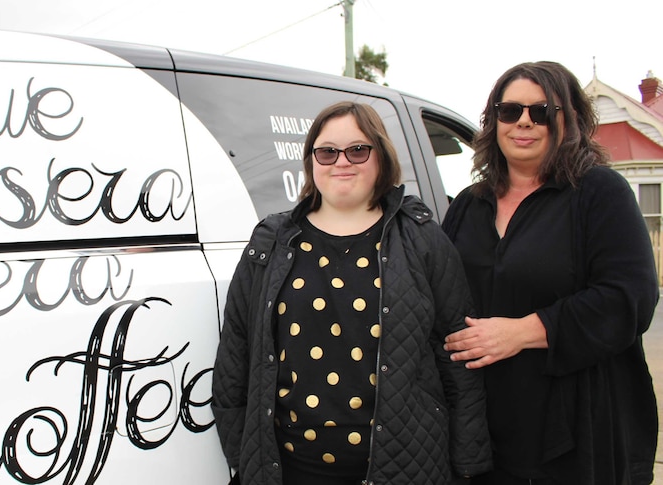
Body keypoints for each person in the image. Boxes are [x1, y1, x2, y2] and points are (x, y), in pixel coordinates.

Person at [212, 101, 492, 485]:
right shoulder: (271, 241)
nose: (341, 161)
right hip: (294, 470)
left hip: (403, 469)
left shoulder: (421, 237)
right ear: (311, 160)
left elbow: (457, 355)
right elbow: (235, 355)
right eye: (327, 152)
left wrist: (468, 464)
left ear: (381, 157)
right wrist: (242, 455)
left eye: (358, 150)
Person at [442, 61, 659, 484]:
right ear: (494, 121)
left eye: (541, 112)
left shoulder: (598, 193)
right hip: (481, 428)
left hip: (574, 429)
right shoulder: (469, 204)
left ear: (568, 121)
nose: (524, 121)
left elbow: (629, 298)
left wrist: (521, 332)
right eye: (510, 111)